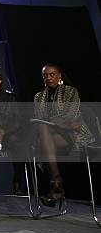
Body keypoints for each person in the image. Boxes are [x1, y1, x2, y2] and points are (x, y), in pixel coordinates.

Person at [33, 64, 93, 203]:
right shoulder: (38, 96)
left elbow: (70, 115)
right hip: (53, 136)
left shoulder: (70, 91)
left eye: (51, 74)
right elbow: (38, 118)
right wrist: (52, 123)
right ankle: (57, 183)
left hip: (73, 133)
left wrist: (51, 122)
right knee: (43, 130)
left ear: (59, 75)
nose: (48, 77)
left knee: (43, 137)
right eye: (45, 75)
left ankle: (56, 183)